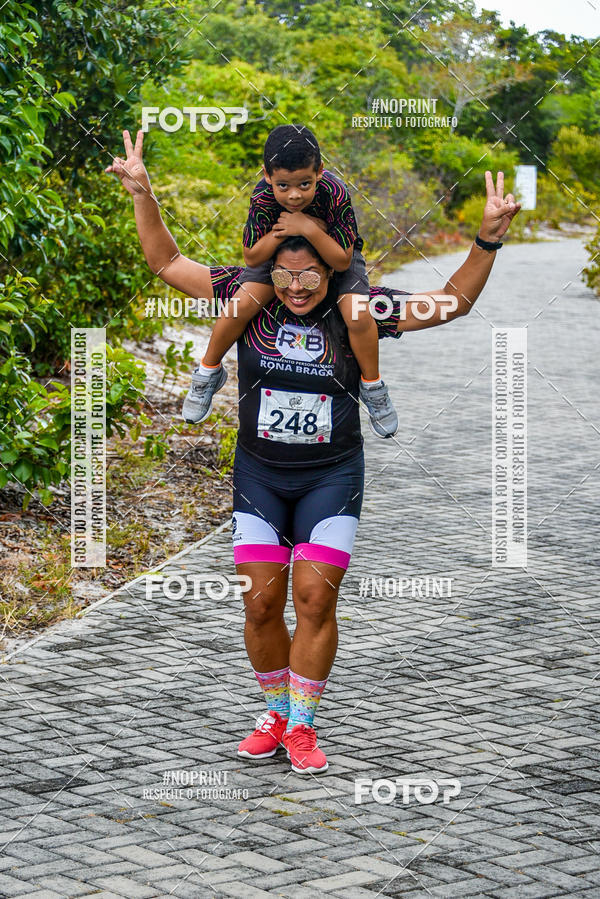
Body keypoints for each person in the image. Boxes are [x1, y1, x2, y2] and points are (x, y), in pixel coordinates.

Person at [107, 130, 520, 774]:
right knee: (261, 602)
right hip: (259, 478)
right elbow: (167, 264)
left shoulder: (358, 306)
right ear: (268, 273)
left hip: (332, 476)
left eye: (311, 275)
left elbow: (454, 303)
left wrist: (487, 237)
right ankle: (273, 710)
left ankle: (303, 726)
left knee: (314, 599)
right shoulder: (249, 303)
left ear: (331, 270)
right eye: (285, 275)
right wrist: (144, 195)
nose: (298, 286)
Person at [180, 124, 399, 439]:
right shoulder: (263, 195)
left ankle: (372, 386)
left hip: (336, 252)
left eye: (304, 184)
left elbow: (341, 259)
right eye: (283, 185)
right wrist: (287, 231)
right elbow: (253, 257)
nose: (294, 194)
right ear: (267, 176)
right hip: (279, 257)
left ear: (320, 172)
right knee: (240, 305)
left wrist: (308, 228)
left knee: (357, 313)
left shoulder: (335, 193)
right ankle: (208, 372)